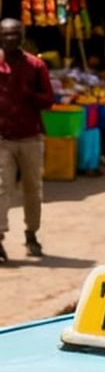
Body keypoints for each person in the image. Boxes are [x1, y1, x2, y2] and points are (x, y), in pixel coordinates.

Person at [0, 19, 56, 262]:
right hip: (3, 139)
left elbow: (48, 100)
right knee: (2, 189)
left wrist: (29, 96)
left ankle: (31, 233)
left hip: (30, 137)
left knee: (33, 189)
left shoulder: (36, 65)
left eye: (16, 34)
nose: (11, 39)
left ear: (22, 36)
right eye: (7, 35)